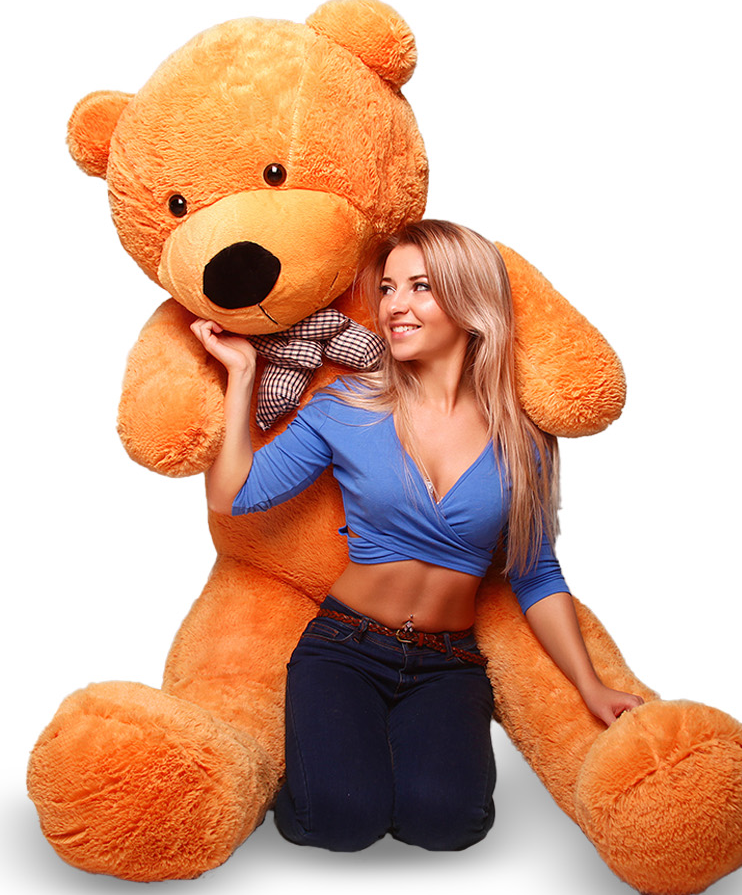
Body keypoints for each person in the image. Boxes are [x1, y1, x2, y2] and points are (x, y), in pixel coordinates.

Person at [191, 219, 643, 854]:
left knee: (449, 825)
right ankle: (320, 774)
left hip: (448, 662)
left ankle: (374, 770)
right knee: (340, 821)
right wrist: (242, 374)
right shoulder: (347, 404)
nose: (393, 306)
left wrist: (590, 685)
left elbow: (535, 572)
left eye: (420, 287)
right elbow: (233, 494)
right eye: (387, 288)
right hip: (344, 646)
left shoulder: (524, 437)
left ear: (470, 299)